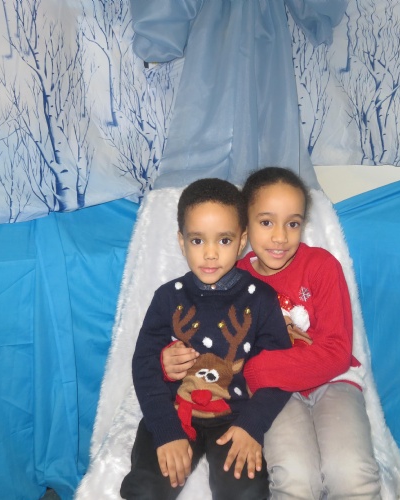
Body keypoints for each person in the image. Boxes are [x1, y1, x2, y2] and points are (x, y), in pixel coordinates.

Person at [163, 167, 382, 499]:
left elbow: (336, 352)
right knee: (295, 477)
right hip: (271, 396)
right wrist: (170, 358)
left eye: (292, 224)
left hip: (332, 383)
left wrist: (255, 369)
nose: (280, 237)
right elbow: (208, 342)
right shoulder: (231, 278)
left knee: (351, 474)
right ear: (244, 228)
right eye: (266, 222)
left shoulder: (321, 266)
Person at [120, 177, 292, 500]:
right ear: (181, 241)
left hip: (235, 417)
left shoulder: (261, 299)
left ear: (241, 241)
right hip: (175, 410)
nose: (210, 254)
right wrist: (166, 430)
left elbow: (280, 372)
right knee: (145, 490)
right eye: (198, 240)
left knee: (247, 493)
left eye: (224, 240)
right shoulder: (167, 297)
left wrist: (252, 425)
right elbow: (144, 364)